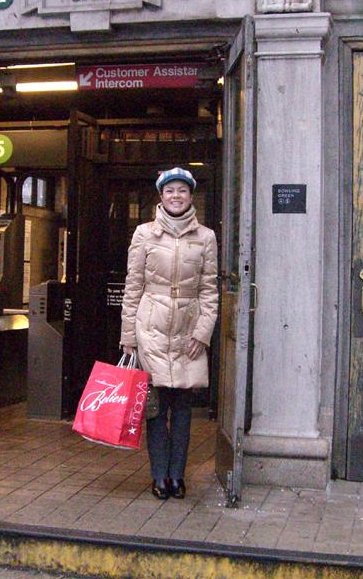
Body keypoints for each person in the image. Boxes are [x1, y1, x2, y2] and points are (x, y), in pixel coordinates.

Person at [120, 167, 218, 500]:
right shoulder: (144, 234)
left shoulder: (205, 237)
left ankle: (178, 476)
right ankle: (159, 476)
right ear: (161, 196)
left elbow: (209, 290)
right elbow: (133, 286)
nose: (176, 196)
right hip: (151, 330)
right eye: (170, 191)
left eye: (182, 190)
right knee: (156, 409)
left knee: (183, 410)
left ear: (191, 195)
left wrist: (203, 333)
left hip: (188, 332)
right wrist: (128, 336)